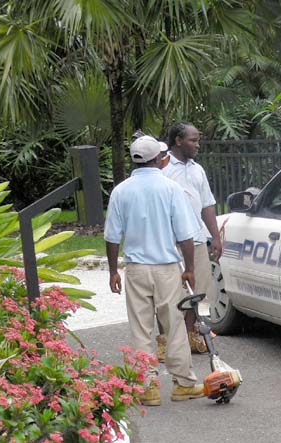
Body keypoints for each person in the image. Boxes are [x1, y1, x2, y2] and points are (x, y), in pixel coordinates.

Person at [104, 135, 205, 406]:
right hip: (167, 268)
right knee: (174, 326)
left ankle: (146, 386)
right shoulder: (171, 189)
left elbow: (112, 237)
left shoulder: (121, 191)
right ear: (159, 159)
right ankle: (183, 383)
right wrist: (190, 268)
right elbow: (185, 235)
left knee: (140, 328)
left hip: (136, 268)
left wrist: (113, 271)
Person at [156, 121, 223, 357]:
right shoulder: (162, 168)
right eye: (193, 140)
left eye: (197, 140)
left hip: (196, 240)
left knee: (200, 291)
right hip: (169, 243)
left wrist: (215, 236)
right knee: (169, 294)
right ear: (178, 141)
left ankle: (190, 335)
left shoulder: (197, 169)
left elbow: (207, 204)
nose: (197, 144)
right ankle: (167, 339)